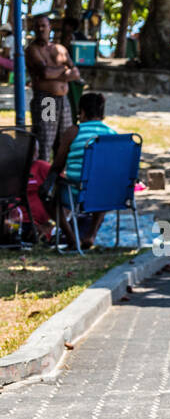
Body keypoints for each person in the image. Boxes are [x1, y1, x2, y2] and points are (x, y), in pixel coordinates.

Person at [48, 90, 117, 246]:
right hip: (107, 195)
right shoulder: (112, 134)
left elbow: (58, 165)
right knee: (102, 182)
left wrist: (49, 181)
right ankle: (91, 235)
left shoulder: (74, 132)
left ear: (82, 112)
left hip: (77, 192)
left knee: (49, 198)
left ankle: (72, 238)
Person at [24, 15, 81, 162]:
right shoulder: (33, 50)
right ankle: (42, 174)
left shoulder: (60, 49)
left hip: (63, 100)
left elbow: (75, 73)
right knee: (45, 140)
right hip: (47, 99)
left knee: (65, 138)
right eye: (38, 26)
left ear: (50, 28)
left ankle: (59, 175)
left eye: (44, 26)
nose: (41, 29)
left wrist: (56, 73)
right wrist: (63, 70)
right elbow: (44, 73)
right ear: (34, 29)